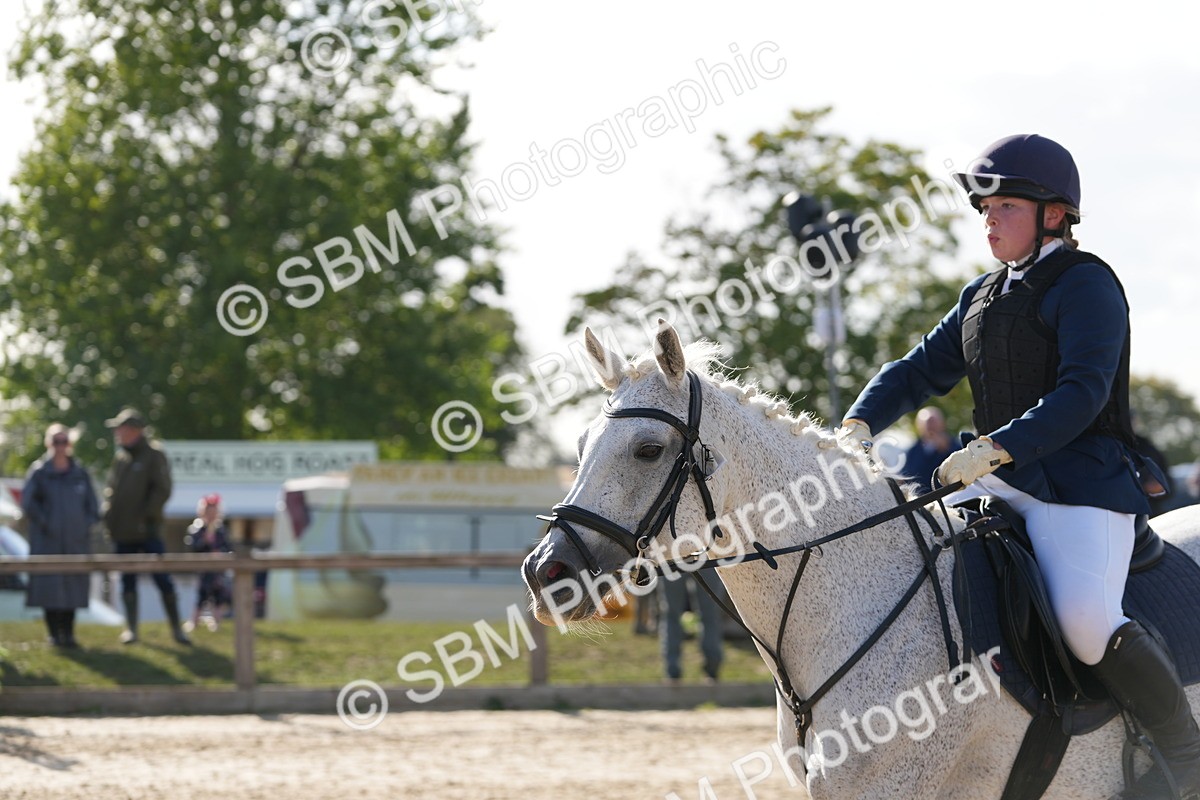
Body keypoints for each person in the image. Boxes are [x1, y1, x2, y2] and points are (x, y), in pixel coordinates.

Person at [836, 134, 1197, 799]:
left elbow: (1082, 392)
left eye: (1005, 206)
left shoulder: (1088, 285)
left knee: (1087, 623)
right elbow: (918, 370)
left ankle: (1186, 753)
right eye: (986, 208)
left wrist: (995, 447)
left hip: (1080, 486)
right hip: (996, 482)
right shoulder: (981, 295)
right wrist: (859, 421)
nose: (989, 220)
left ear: (1053, 214)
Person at [101, 407, 190, 645]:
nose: (118, 433)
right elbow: (112, 491)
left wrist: (144, 517)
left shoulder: (154, 454)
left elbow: (163, 490)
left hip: (148, 531)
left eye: (121, 428)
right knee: (127, 581)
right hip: (122, 533)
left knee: (162, 578)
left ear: (134, 430)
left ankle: (176, 629)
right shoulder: (120, 458)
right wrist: (109, 516)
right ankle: (131, 629)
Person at [20, 424, 99, 649]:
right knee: (49, 586)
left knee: (73, 586)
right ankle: (54, 634)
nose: (60, 446)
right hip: (47, 541)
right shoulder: (39, 472)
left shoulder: (80, 474)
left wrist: (83, 526)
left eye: (64, 441)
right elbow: (28, 503)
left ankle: (70, 634)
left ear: (70, 444)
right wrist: (46, 522)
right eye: (56, 441)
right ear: (49, 444)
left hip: (75, 542)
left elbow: (93, 507)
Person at [658, 571, 723, 685]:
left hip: (684, 558)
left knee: (708, 614)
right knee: (708, 615)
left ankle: (711, 669)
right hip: (675, 557)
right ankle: (673, 672)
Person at [184, 494, 233, 632]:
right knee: (202, 594)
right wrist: (204, 541)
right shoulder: (197, 529)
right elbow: (192, 547)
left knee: (219, 595)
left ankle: (216, 621)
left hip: (218, 569)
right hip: (203, 569)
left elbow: (228, 547)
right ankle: (194, 620)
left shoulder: (220, 530)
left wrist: (221, 554)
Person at [901, 407, 955, 488]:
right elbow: (906, 477)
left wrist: (946, 450)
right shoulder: (912, 452)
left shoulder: (955, 446)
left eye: (933, 421)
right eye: (927, 422)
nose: (931, 426)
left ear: (942, 423)